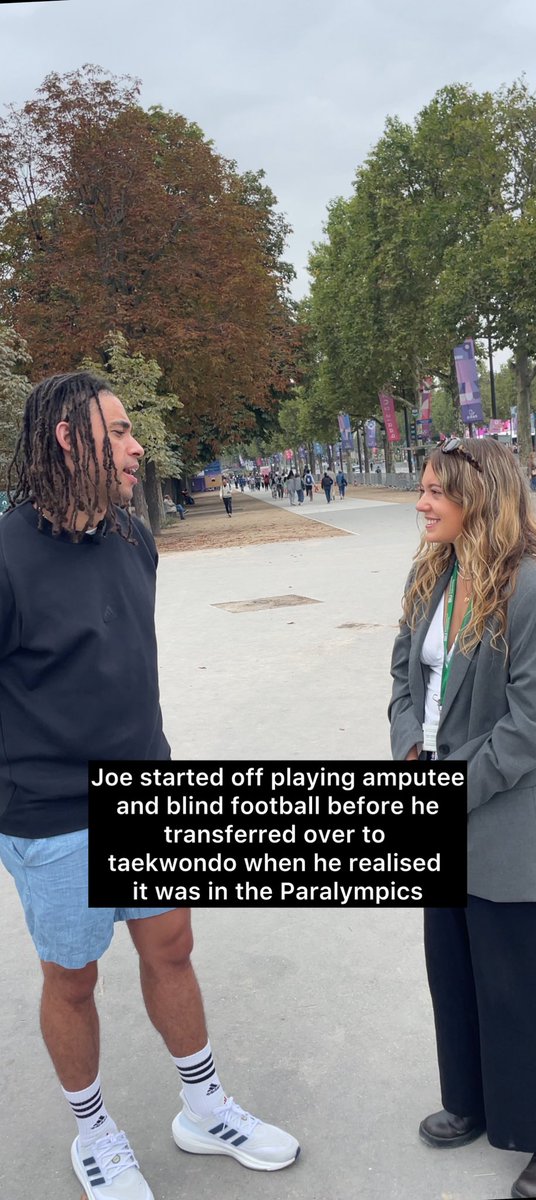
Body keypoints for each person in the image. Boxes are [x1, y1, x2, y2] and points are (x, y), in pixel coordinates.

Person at [0, 372, 299, 1200]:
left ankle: (202, 1106)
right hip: (52, 813)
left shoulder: (135, 538)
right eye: (123, 431)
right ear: (70, 439)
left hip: (148, 787)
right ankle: (93, 1130)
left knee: (172, 948)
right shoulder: (6, 556)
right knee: (73, 978)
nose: (139, 446)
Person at [388, 435, 536, 1200]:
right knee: (451, 965)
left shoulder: (533, 591)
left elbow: (530, 727)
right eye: (420, 488)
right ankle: (473, 1100)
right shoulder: (431, 573)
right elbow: (402, 674)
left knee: (518, 981)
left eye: (434, 491)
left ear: (477, 498)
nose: (420, 502)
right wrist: (407, 751)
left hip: (503, 815)